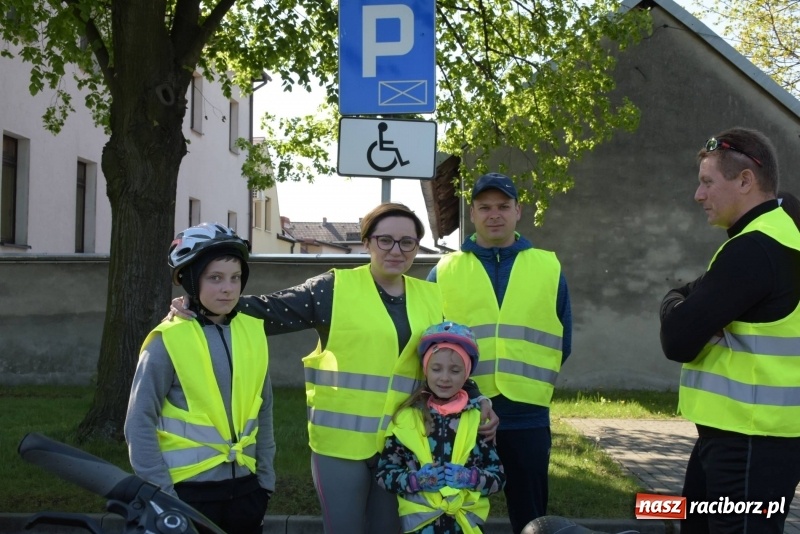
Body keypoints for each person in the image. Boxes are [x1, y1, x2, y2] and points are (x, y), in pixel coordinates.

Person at [168, 203, 499, 534]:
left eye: (407, 242)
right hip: (340, 447)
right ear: (367, 241)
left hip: (404, 444)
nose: (396, 250)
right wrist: (198, 301)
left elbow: (449, 358)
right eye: (385, 240)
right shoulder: (332, 289)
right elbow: (265, 311)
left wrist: (476, 397)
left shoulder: (431, 296)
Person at [660, 127, 800, 533]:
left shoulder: (755, 249)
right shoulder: (778, 235)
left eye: (707, 182)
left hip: (748, 443)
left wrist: (673, 299)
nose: (698, 195)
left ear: (745, 181)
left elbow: (678, 339)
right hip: (746, 438)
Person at [428, 173, 572, 534]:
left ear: (518, 211)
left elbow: (563, 339)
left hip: (527, 412)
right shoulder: (444, 271)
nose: (495, 215)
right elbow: (428, 346)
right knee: (452, 509)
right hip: (460, 412)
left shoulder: (548, 267)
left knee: (532, 516)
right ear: (472, 214)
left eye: (503, 207)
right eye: (485, 207)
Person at [124, 222, 275, 534]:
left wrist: (265, 482)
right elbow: (139, 422)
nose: (228, 288)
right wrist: (162, 493)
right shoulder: (167, 340)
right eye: (215, 278)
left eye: (235, 278)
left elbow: (265, 410)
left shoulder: (252, 332)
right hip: (187, 493)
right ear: (190, 281)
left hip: (246, 492)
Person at [376, 321, 506, 534]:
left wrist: (471, 478)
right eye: (436, 369)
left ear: (467, 375)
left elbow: (498, 477)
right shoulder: (407, 419)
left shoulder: (477, 420)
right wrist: (415, 480)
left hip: (464, 526)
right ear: (426, 370)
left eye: (455, 370)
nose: (444, 378)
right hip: (421, 527)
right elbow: (384, 474)